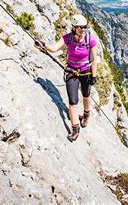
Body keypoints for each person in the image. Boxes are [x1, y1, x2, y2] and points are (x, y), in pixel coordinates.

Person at [38, 14, 97, 142]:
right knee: (73, 101)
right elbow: (53, 48)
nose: (83, 30)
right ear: (74, 27)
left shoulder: (89, 39)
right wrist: (43, 45)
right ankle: (75, 128)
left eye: (85, 27)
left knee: (86, 95)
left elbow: (93, 59)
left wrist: (94, 75)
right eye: (80, 28)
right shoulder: (67, 38)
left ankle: (86, 115)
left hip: (86, 72)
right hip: (72, 71)